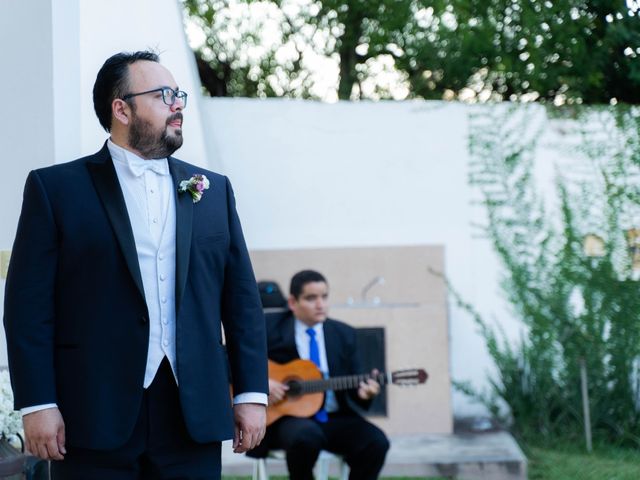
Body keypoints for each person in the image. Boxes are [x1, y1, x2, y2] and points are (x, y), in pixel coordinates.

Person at [3, 51, 268, 480]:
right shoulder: (55, 189)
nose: (178, 104)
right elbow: (28, 308)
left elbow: (241, 302)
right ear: (121, 109)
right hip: (91, 410)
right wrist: (38, 403)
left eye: (179, 94)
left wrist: (251, 393)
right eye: (164, 95)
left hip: (192, 411)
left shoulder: (212, 190)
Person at [250, 270, 390, 480]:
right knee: (306, 437)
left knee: (377, 442)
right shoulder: (269, 327)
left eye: (324, 297)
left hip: (334, 418)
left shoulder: (344, 334)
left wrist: (365, 394)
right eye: (311, 298)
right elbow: (229, 356)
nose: (320, 304)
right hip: (287, 420)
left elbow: (356, 383)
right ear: (292, 302)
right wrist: (262, 382)